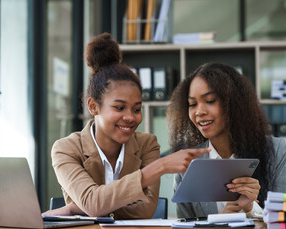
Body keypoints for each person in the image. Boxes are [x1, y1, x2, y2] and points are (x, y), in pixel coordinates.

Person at [42, 32, 210, 219]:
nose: (130, 117)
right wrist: (160, 166)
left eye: (137, 109)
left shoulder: (148, 144)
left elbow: (146, 210)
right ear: (93, 106)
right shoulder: (66, 148)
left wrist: (77, 208)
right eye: (119, 107)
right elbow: (92, 204)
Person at [167, 62, 286, 218]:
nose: (199, 112)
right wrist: (218, 221)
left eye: (210, 101)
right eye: (192, 104)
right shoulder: (187, 162)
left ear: (234, 103)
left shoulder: (276, 150)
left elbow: (282, 222)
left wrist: (250, 209)